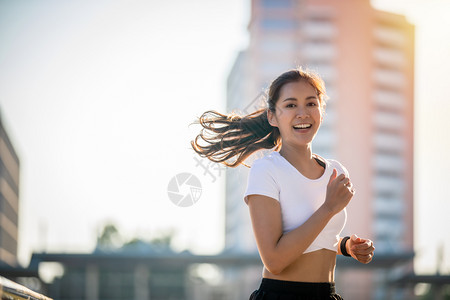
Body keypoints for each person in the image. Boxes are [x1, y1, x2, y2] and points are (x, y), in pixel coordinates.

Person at [191, 68, 375, 299]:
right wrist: (329, 208)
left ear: (321, 110)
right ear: (272, 116)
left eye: (311, 104)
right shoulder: (266, 170)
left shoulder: (335, 171)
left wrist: (346, 246)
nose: (302, 113)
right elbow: (275, 259)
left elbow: (315, 238)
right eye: (290, 105)